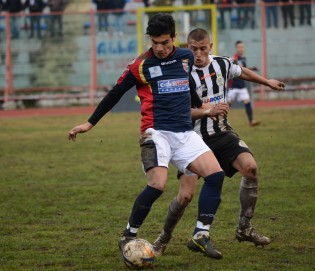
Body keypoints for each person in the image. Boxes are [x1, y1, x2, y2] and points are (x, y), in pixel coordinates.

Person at [68, 13, 229, 259]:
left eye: (164, 42)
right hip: (155, 132)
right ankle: (128, 235)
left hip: (184, 132)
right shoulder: (140, 66)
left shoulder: (186, 57)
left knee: (216, 175)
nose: (160, 48)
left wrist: (204, 108)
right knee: (158, 185)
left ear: (174, 38)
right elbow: (115, 93)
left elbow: (187, 86)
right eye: (154, 42)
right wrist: (90, 124)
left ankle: (200, 235)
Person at [152, 28, 285, 259]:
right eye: (193, 49)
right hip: (191, 139)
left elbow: (241, 71)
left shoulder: (222, 64)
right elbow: (181, 112)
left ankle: (244, 228)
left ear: (210, 47)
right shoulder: (181, 72)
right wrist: (207, 111)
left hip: (222, 133)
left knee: (251, 168)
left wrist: (267, 82)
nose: (199, 54)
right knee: (185, 196)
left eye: (203, 49)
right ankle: (164, 237)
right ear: (187, 47)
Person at [228, 40, 261, 127]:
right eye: (239, 47)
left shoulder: (243, 58)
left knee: (247, 101)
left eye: (242, 47)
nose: (241, 49)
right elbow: (232, 70)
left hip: (242, 87)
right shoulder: (233, 58)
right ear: (236, 48)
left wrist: (252, 69)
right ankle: (220, 120)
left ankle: (251, 121)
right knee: (228, 104)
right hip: (233, 87)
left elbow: (244, 69)